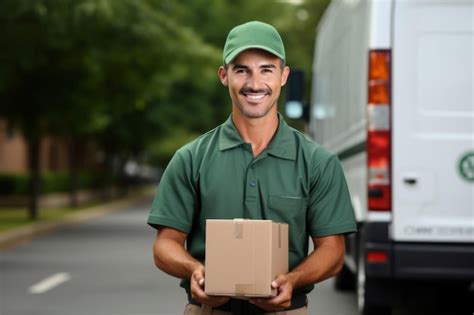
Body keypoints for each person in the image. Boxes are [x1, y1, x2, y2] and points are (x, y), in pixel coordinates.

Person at [147, 21, 357, 315]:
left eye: (266, 69)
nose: (254, 83)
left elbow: (333, 252)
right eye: (241, 69)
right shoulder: (190, 158)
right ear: (224, 76)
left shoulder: (318, 162)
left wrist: (293, 280)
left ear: (283, 76)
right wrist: (194, 270)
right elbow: (165, 245)